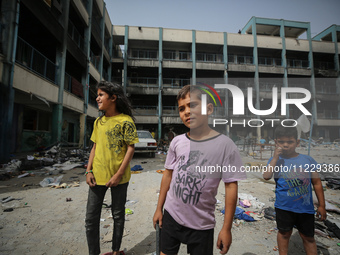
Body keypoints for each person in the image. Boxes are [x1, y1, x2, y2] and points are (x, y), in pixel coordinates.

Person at [153, 85, 246, 255]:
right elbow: (168, 175)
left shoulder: (225, 145)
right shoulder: (177, 142)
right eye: (182, 109)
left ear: (209, 109)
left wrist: (226, 229)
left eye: (192, 105)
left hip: (202, 224)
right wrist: (159, 209)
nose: (187, 111)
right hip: (172, 216)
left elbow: (231, 186)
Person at [85, 81, 139, 255]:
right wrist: (88, 170)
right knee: (91, 219)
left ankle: (116, 251)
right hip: (97, 177)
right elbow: (94, 147)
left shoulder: (126, 120)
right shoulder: (98, 122)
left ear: (113, 98)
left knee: (118, 215)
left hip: (119, 178)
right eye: (97, 95)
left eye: (101, 95)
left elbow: (131, 148)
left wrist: (118, 174)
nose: (97, 98)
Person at [263, 125, 326, 255]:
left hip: (305, 208)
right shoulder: (276, 161)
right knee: (284, 234)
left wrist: (322, 205)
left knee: (308, 237)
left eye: (290, 142)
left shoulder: (307, 160)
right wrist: (275, 158)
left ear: (297, 142)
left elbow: (317, 183)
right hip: (284, 207)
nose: (286, 145)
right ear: (276, 142)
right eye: (281, 142)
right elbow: (266, 176)